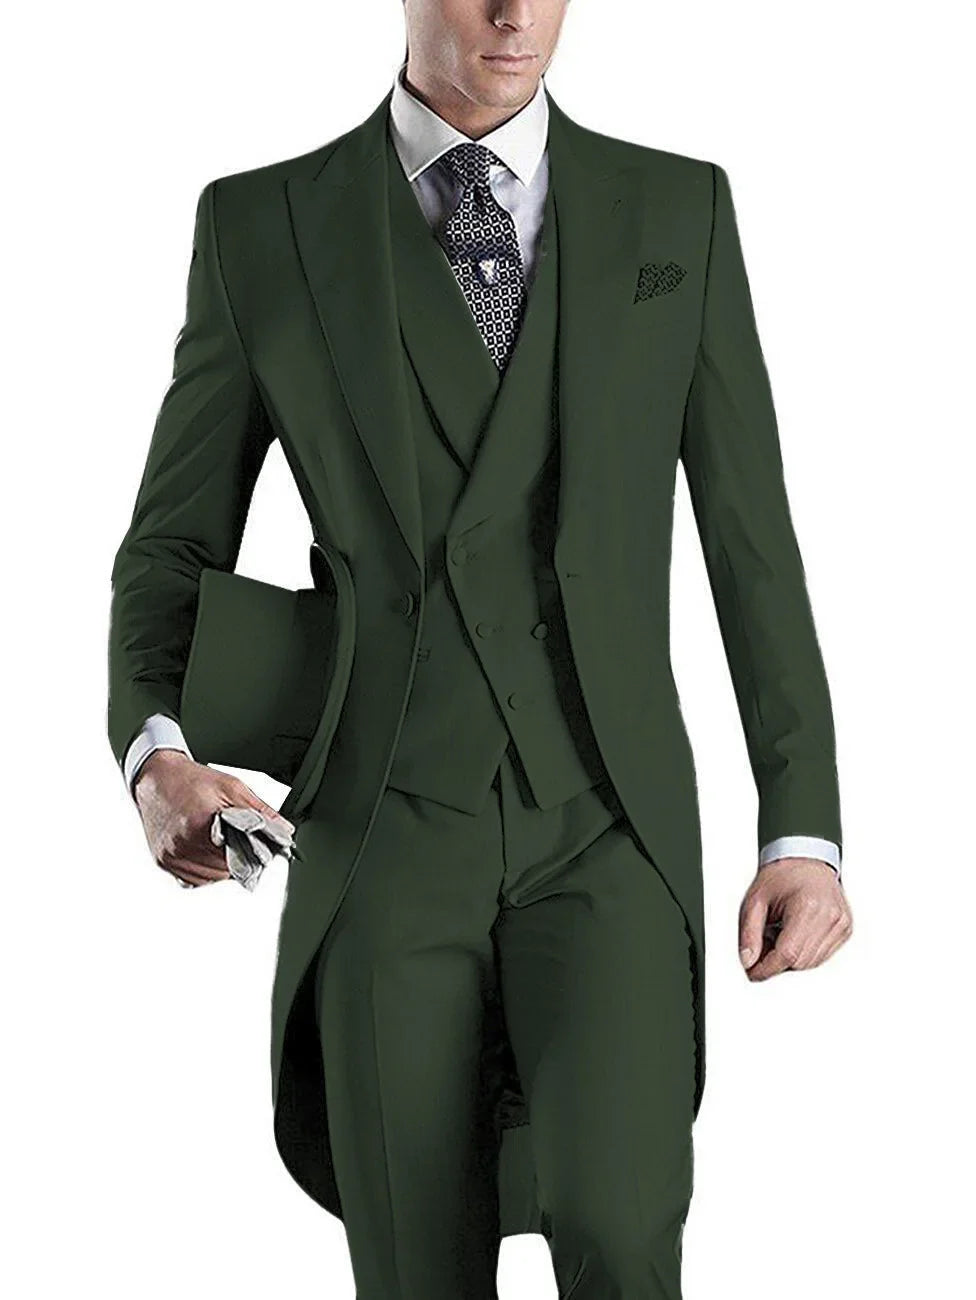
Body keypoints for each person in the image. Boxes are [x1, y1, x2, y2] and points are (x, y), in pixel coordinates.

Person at [107, 2, 853, 1295]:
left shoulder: (679, 211)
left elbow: (753, 544)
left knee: (624, 1230)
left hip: (607, 820)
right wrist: (156, 758)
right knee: (414, 1266)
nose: (515, 12)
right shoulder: (261, 227)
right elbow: (169, 547)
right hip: (382, 833)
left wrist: (803, 828)